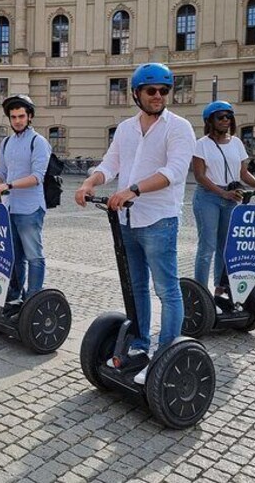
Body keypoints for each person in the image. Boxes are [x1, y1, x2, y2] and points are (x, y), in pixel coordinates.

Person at [74, 63, 196, 385]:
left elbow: (175, 171)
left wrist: (134, 190)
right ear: (136, 94)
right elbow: (110, 164)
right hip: (127, 219)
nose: (158, 96)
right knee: (136, 286)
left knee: (167, 289)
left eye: (163, 91)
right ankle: (141, 345)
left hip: (159, 220)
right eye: (151, 91)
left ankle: (166, 354)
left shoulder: (179, 127)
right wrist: (90, 183)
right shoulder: (126, 129)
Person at [0, 94, 51, 310]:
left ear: (29, 116)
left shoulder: (38, 142)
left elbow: (37, 177)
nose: (17, 120)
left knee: (34, 256)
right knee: (14, 256)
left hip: (30, 209)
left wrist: (9, 186)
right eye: (13, 117)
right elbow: (1, 173)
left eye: (21, 116)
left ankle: (33, 301)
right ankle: (15, 295)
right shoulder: (6, 142)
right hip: (10, 208)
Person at [192, 101, 255, 293]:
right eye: (220, 117)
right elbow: (199, 176)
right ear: (210, 121)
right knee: (207, 247)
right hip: (208, 197)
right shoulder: (201, 145)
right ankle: (200, 292)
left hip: (232, 197)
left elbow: (244, 174)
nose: (225, 120)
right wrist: (222, 193)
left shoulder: (236, 143)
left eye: (228, 117)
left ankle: (221, 287)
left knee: (226, 246)